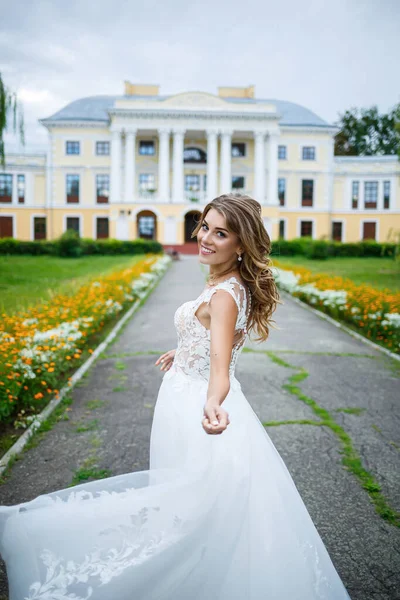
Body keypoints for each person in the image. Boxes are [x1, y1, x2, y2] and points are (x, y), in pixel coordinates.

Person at [0, 194, 351, 600]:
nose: (205, 238)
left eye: (221, 233)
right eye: (205, 226)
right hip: (184, 390)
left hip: (195, 406)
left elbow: (221, 371)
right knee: (191, 504)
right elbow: (218, 343)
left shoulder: (223, 294)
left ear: (242, 245)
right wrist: (182, 349)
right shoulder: (226, 284)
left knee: (187, 509)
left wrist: (213, 405)